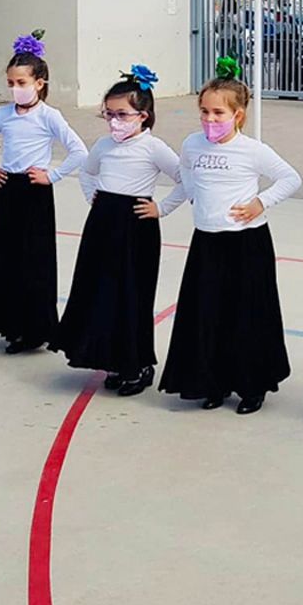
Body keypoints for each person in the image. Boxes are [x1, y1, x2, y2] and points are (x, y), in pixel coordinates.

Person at [157, 58, 301, 414]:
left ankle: (251, 385)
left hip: (246, 242)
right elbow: (185, 174)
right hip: (207, 242)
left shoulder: (252, 150)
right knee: (208, 313)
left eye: (218, 113)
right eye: (204, 112)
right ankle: (213, 381)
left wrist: (260, 203)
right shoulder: (193, 144)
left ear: (238, 115)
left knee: (246, 314)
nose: (210, 119)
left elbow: (290, 178)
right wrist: (189, 198)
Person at [62, 65, 181, 395]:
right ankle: (112, 359)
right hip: (102, 224)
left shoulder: (153, 148)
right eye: (109, 114)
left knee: (132, 294)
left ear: (143, 116)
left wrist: (161, 208)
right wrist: (93, 195)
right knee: (101, 291)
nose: (115, 121)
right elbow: (87, 172)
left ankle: (138, 364)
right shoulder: (103, 145)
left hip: (136, 226)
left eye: (123, 114)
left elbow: (185, 179)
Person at [0, 32, 88, 354]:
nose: (15, 88)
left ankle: (35, 329)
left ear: (39, 83)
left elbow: (79, 150)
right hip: (8, 189)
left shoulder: (49, 116)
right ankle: (8, 324)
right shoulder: (3, 114)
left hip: (35, 192)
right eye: (10, 83)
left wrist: (53, 175)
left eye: (21, 82)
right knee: (5, 257)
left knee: (34, 260)